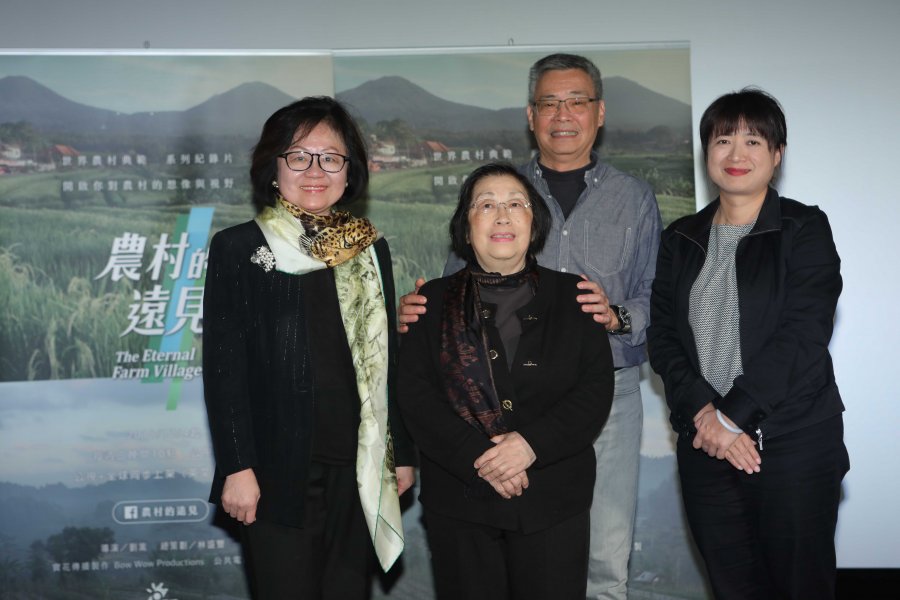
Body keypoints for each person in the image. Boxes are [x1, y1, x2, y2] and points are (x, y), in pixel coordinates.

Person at [399, 53, 661, 600]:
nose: (563, 114)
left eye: (577, 101)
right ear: (530, 114)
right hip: (481, 410)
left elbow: (656, 295)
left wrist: (616, 316)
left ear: (599, 112)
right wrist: (419, 314)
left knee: (604, 559)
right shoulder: (504, 186)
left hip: (601, 393)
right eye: (549, 102)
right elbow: (449, 318)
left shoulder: (633, 197)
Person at [202, 96, 415, 600]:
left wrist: (400, 454)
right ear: (274, 168)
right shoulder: (239, 248)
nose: (315, 171)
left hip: (359, 467)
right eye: (299, 156)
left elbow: (388, 362)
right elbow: (224, 369)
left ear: (349, 170)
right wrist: (237, 467)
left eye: (331, 157)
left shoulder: (370, 248)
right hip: (274, 470)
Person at [647, 88, 849, 599]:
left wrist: (733, 416)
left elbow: (803, 335)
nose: (736, 154)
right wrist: (706, 415)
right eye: (723, 140)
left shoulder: (804, 228)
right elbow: (663, 336)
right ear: (706, 153)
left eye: (754, 141)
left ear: (777, 155)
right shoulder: (680, 237)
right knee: (732, 586)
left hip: (793, 441)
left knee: (800, 586)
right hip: (705, 444)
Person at [398, 162, 615, 600]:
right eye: (486, 205)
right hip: (460, 500)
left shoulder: (577, 297)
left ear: (535, 223)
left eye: (516, 204)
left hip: (553, 500)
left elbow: (593, 392)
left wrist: (530, 445)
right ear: (466, 226)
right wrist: (482, 458)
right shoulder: (430, 302)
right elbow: (416, 397)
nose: (502, 216)